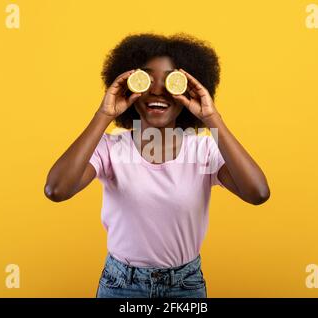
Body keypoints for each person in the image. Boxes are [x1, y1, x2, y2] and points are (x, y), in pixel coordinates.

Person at [44, 33, 270, 298]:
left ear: (188, 89)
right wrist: (104, 115)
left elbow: (258, 193)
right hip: (121, 285)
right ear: (130, 87)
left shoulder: (204, 150)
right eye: (147, 79)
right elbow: (56, 190)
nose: (157, 90)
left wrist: (212, 118)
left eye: (172, 80)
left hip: (185, 286)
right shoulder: (110, 148)